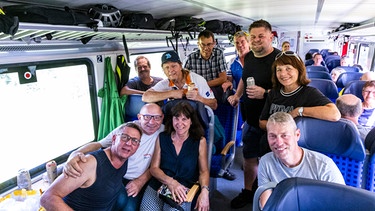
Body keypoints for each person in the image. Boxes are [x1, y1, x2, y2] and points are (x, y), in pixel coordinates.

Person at [63, 103, 164, 211]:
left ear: (162, 118)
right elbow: (99, 144)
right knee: (119, 200)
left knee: (130, 209)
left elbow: (157, 164)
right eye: (147, 117)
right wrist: (75, 154)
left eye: (157, 117)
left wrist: (140, 181)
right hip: (115, 174)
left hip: (135, 179)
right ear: (139, 117)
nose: (152, 122)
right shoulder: (128, 129)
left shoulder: (164, 132)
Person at [227, 19, 281, 209]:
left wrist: (264, 93)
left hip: (272, 122)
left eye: (261, 36)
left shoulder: (280, 59)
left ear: (270, 36)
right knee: (249, 158)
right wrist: (237, 94)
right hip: (251, 119)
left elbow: (289, 90)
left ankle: (270, 196)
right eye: (253, 37)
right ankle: (249, 192)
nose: (256, 40)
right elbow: (244, 78)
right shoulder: (248, 57)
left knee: (270, 162)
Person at [40, 122, 142, 210]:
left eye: (134, 141)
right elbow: (48, 198)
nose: (129, 143)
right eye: (124, 137)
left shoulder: (124, 158)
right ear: (114, 139)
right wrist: (75, 153)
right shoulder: (89, 163)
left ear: (137, 146)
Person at [257, 112, 345, 209]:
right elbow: (266, 205)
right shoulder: (266, 162)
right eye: (272, 136)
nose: (279, 143)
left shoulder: (324, 166)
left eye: (284, 135)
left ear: (297, 135)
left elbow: (338, 205)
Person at [140, 101, 210, 211]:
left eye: (184, 119)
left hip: (183, 188)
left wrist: (205, 191)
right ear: (171, 119)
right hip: (159, 183)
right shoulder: (162, 137)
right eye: (176, 118)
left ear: (191, 121)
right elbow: (154, 168)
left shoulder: (200, 141)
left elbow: (204, 171)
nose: (179, 123)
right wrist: (171, 182)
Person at [259, 50, 341, 130]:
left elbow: (334, 114)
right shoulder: (273, 93)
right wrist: (280, 128)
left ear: (299, 70)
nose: (283, 74)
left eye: (288, 68)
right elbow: (262, 122)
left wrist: (299, 111)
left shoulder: (309, 93)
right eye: (279, 70)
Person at [143, 50, 217, 110]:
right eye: (167, 67)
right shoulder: (165, 83)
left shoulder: (198, 80)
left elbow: (214, 105)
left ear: (181, 66)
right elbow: (145, 97)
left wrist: (199, 98)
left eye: (173, 66)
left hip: (196, 119)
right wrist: (172, 93)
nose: (170, 70)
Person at [183, 30, 229, 102]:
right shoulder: (190, 58)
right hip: (198, 92)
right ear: (198, 44)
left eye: (209, 44)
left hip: (215, 89)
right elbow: (184, 79)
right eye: (203, 45)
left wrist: (204, 85)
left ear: (214, 44)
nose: (206, 48)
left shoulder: (219, 54)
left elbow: (223, 78)